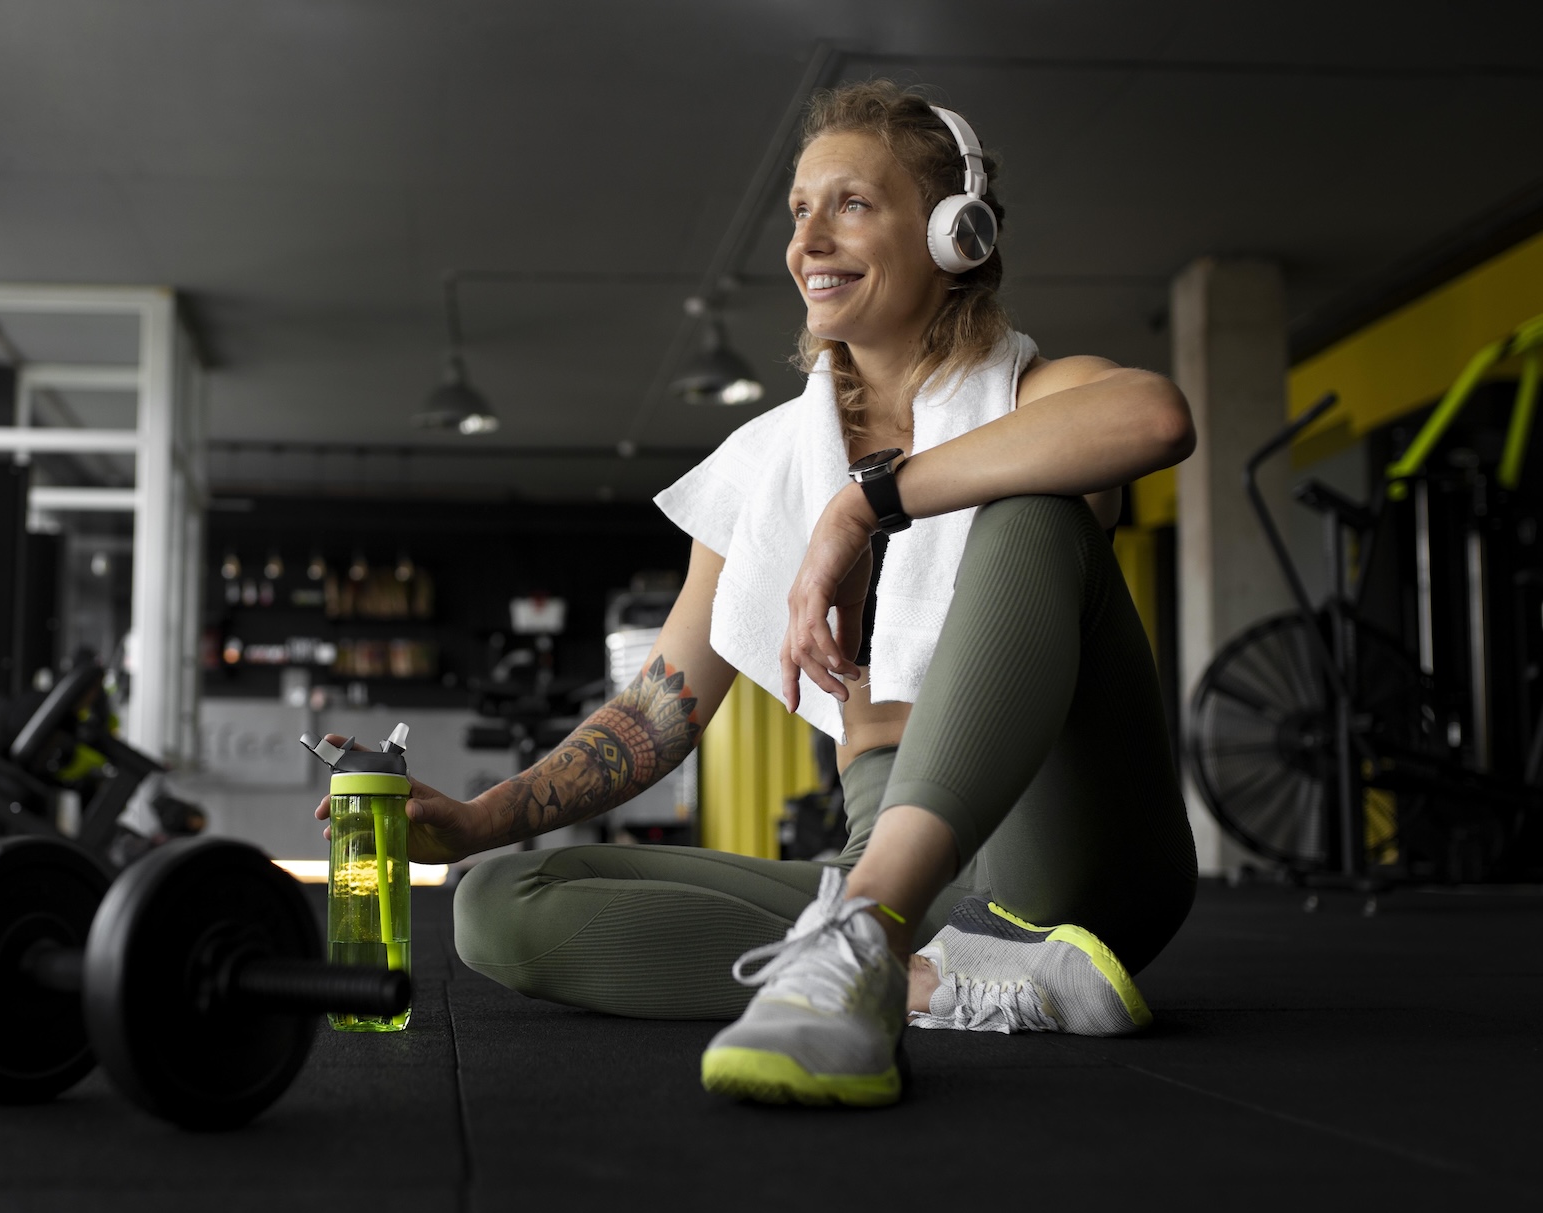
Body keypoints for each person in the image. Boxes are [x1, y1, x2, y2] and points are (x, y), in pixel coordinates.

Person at [320, 80, 1198, 1108]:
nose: (807, 240)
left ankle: (863, 939)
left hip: (1069, 852)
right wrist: (479, 819)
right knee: (499, 903)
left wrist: (865, 505)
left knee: (1031, 508)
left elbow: (1153, 417)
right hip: (889, 856)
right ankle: (916, 975)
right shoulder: (765, 462)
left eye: (851, 204)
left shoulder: (1029, 393)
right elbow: (655, 713)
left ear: (953, 234)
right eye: (796, 210)